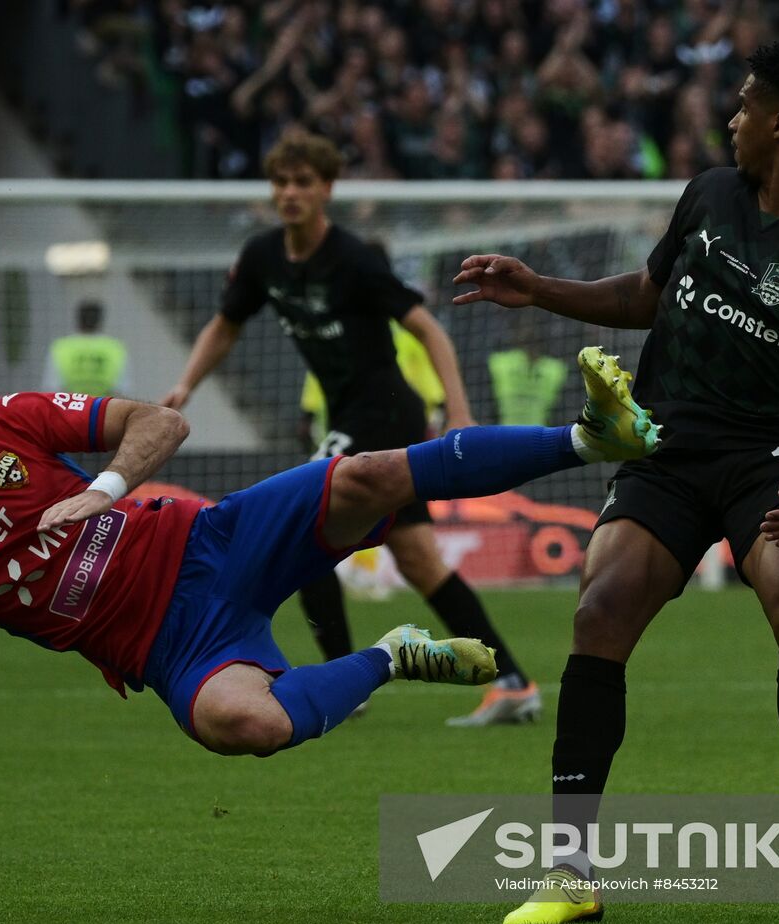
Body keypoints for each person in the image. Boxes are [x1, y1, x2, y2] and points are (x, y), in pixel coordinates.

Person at [0, 354, 659, 909]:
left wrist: (101, 491)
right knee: (243, 726)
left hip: (214, 543)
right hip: (171, 652)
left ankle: (589, 440)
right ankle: (390, 657)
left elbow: (160, 420)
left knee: (371, 474)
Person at [453, 39, 779, 924]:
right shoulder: (709, 195)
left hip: (761, 460)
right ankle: (569, 873)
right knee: (597, 611)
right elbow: (642, 298)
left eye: (741, 104)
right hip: (664, 450)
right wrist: (539, 290)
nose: (728, 119)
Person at [160, 128, 541, 728]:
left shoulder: (355, 259)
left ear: (326, 190)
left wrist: (460, 412)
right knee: (417, 559)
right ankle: (514, 683)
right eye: (281, 182)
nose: (290, 193)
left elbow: (429, 328)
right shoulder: (263, 258)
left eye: (303, 183)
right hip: (353, 418)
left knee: (299, 530)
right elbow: (225, 325)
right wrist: (185, 386)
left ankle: (344, 683)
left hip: (385, 414)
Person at [44, 300, 129, 398]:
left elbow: (53, 389)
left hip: (71, 409)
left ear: (77, 320)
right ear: (99, 321)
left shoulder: (61, 347)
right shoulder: (115, 348)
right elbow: (121, 390)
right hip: (103, 408)